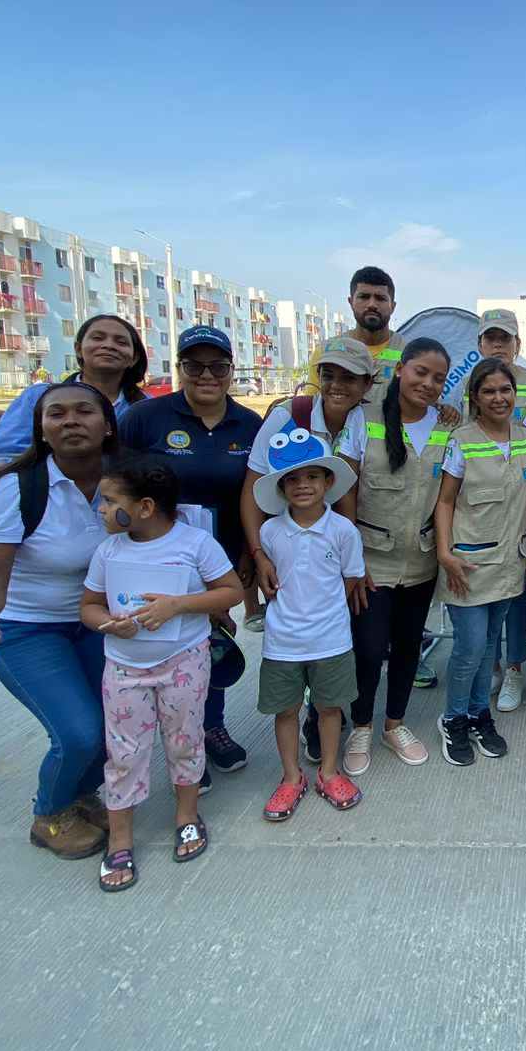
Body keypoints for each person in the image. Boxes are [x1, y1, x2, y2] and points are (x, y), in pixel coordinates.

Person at [0, 383, 118, 860]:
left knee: (118, 724)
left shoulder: (125, 480)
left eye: (84, 411)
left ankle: (80, 797)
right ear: (41, 430)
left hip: (96, 621)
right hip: (26, 628)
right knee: (78, 731)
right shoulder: (13, 486)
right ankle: (48, 814)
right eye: (56, 414)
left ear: (107, 425)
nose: (70, 421)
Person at [80, 458, 242, 892]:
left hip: (184, 662)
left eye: (110, 501)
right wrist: (108, 624)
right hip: (124, 666)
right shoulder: (108, 551)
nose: (101, 508)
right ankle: (120, 838)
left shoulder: (195, 544)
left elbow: (230, 591)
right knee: (124, 752)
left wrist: (178, 605)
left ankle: (186, 815)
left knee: (185, 739)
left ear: (146, 506)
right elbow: (89, 605)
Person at [117, 325, 262, 788]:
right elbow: (116, 486)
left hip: (218, 561)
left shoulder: (249, 424)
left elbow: (253, 495)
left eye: (217, 366)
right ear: (179, 368)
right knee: (161, 647)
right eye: (194, 365)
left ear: (230, 371)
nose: (206, 375)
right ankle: (175, 741)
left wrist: (246, 556)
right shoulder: (145, 418)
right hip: (154, 558)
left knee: (209, 644)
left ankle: (209, 728)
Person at [432, 358, 526, 766]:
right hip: (467, 563)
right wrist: (445, 553)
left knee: (488, 649)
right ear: (475, 398)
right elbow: (445, 501)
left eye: (505, 390)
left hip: (508, 562)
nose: (499, 398)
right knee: (469, 648)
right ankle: (453, 719)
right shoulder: (461, 439)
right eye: (489, 391)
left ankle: (479, 713)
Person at [346, 338, 453, 772]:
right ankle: (360, 729)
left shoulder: (447, 427)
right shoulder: (363, 419)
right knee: (369, 649)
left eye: (438, 378)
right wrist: (351, 559)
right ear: (400, 371)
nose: (427, 384)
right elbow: (346, 491)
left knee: (409, 645)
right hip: (371, 561)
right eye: (420, 372)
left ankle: (394, 725)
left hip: (421, 560)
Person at [250, 439, 366, 818]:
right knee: (285, 710)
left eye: (313, 476)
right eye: (293, 479)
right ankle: (290, 776)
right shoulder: (270, 533)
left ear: (328, 482)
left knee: (329, 708)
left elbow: (350, 579)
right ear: (281, 488)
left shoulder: (344, 530)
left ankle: (328, 772)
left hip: (330, 638)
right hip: (283, 641)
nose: (303, 485)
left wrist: (326, 610)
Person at [242, 334, 373, 638]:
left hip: (345, 551)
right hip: (293, 552)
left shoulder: (373, 421)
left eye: (349, 377)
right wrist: (258, 554)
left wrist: (352, 561)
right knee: (295, 632)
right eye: (328, 375)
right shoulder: (288, 417)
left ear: (367, 383)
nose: (336, 385)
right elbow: (252, 490)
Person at [472, 308, 526, 713]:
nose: (498, 345)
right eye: (491, 338)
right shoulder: (468, 388)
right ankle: (494, 665)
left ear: (519, 345)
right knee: (487, 594)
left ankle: (515, 668)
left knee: (517, 595)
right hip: (481, 513)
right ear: (480, 344)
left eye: (506, 338)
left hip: (522, 505)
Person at [0, 313, 148, 485]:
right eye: (98, 338)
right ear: (79, 349)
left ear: (134, 358)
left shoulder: (147, 407)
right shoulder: (38, 397)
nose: (108, 345)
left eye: (121, 342)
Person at [299, 266, 403, 406]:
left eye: (380, 298)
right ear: (351, 302)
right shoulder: (325, 351)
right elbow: (311, 406)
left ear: (393, 306)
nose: (372, 304)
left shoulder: (410, 353)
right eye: (364, 297)